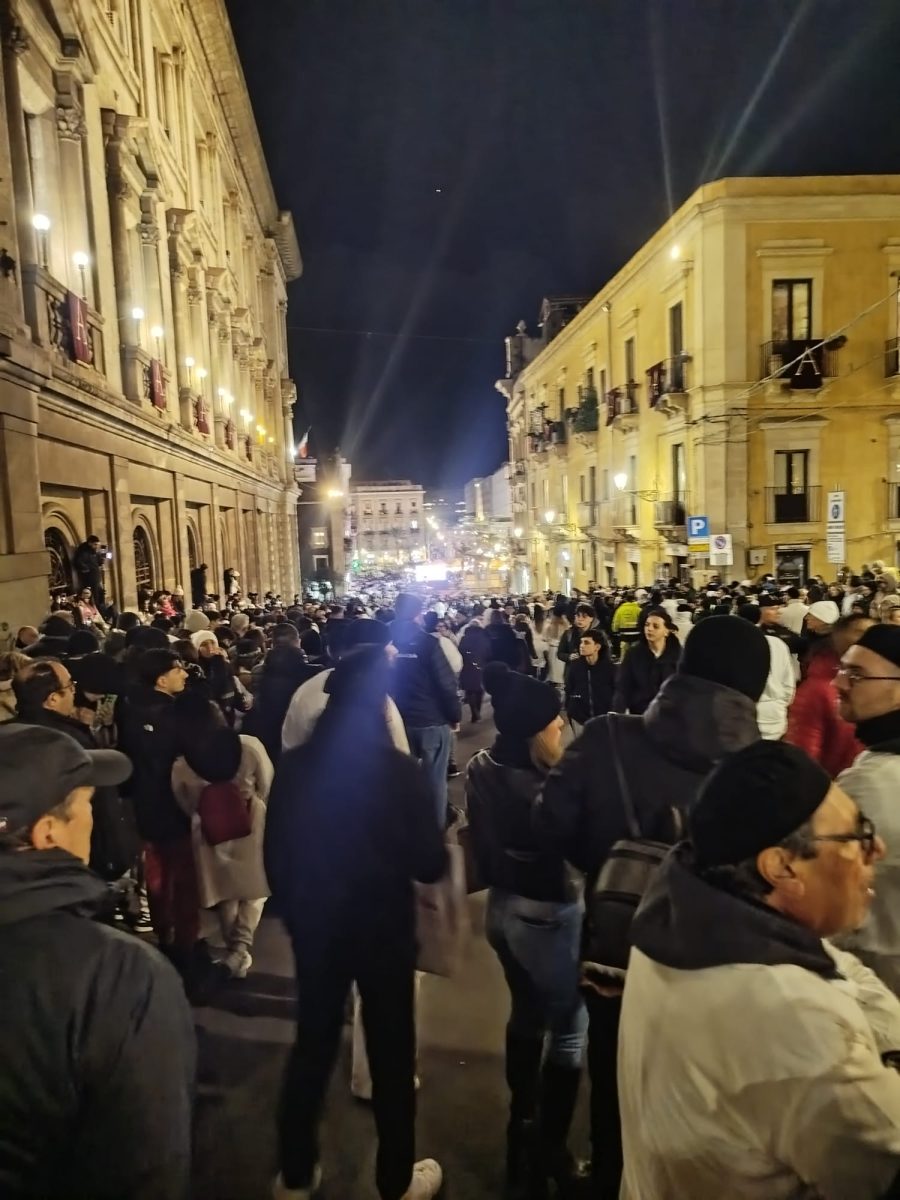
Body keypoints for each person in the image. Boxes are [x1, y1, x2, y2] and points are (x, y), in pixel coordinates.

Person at [535, 616, 768, 1198]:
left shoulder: (608, 736)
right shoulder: (766, 774)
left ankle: (612, 1174)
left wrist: (610, 861)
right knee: (708, 1092)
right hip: (722, 968)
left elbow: (551, 825)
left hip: (619, 946)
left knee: (617, 1076)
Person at [619, 739, 900, 1200]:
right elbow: (882, 1166)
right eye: (859, 835)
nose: (879, 849)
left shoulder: (684, 915)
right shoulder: (796, 1021)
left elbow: (839, 964)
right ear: (782, 867)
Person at [265, 649, 447, 1200]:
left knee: (313, 1044)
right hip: (384, 932)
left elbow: (276, 858)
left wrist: (300, 911)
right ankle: (394, 1180)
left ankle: (296, 1174)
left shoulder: (295, 768)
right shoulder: (399, 773)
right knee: (392, 1053)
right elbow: (429, 863)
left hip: (318, 930)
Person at [0, 724, 195, 1198]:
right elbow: (147, 1171)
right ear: (48, 833)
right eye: (86, 804)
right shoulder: (119, 978)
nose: (96, 817)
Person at [467, 663, 588, 1198]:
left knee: (526, 1012)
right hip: (549, 912)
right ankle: (552, 1148)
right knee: (568, 1027)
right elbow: (578, 851)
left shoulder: (481, 766)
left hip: (501, 909)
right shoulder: (550, 784)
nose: (563, 727)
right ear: (538, 730)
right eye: (556, 722)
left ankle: (523, 1124)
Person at [117, 649, 200, 971]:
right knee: (182, 880)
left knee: (157, 875)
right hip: (175, 805)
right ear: (161, 678)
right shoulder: (175, 713)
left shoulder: (129, 709)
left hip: (145, 804)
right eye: (178, 670)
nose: (185, 674)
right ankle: (185, 947)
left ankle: (165, 937)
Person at [172, 717, 272, 979]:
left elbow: (183, 800)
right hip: (251, 823)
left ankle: (234, 952)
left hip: (208, 830)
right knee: (255, 892)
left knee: (226, 893)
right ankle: (239, 949)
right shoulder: (249, 746)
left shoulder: (184, 761)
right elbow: (267, 783)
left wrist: (202, 814)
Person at [834, 624, 900, 993]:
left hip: (878, 974)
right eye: (842, 669)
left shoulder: (870, 783)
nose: (839, 684)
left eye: (856, 674)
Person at [390, 594, 461, 828]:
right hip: (431, 719)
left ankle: (409, 829)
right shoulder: (428, 643)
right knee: (435, 782)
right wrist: (454, 716)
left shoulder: (385, 640)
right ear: (418, 614)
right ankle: (434, 832)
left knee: (402, 780)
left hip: (396, 720)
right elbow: (446, 683)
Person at [785, 612, 874, 775]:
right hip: (839, 789)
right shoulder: (818, 690)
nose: (873, 638)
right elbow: (803, 757)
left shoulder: (879, 682)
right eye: (861, 632)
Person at [737, 602, 796, 739]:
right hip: (776, 717)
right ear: (759, 618)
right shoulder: (777, 644)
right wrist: (780, 704)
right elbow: (788, 683)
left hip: (745, 716)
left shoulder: (733, 646)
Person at [611, 607, 680, 715]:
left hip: (671, 717)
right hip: (640, 716)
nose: (649, 629)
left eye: (655, 626)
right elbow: (623, 687)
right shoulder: (633, 654)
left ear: (667, 631)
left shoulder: (679, 656)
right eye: (647, 625)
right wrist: (617, 712)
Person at [564, 629, 615, 734]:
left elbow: (617, 693)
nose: (582, 646)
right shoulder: (575, 667)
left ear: (597, 647)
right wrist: (571, 709)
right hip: (579, 719)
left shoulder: (611, 669)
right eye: (581, 642)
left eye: (586, 642)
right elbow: (569, 689)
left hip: (604, 721)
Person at [459, 618, 491, 722]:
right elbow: (488, 651)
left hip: (467, 666)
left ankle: (474, 712)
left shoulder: (465, 637)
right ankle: (478, 710)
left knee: (470, 690)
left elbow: (460, 651)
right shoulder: (484, 637)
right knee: (479, 690)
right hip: (481, 665)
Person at [73, 534, 106, 606]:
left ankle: (101, 608)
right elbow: (78, 562)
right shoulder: (83, 551)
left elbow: (98, 562)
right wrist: (86, 569)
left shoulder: (94, 551)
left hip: (96, 578)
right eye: (95, 544)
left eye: (97, 544)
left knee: (100, 595)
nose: (96, 546)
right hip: (89, 579)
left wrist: (102, 558)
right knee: (94, 598)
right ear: (90, 543)